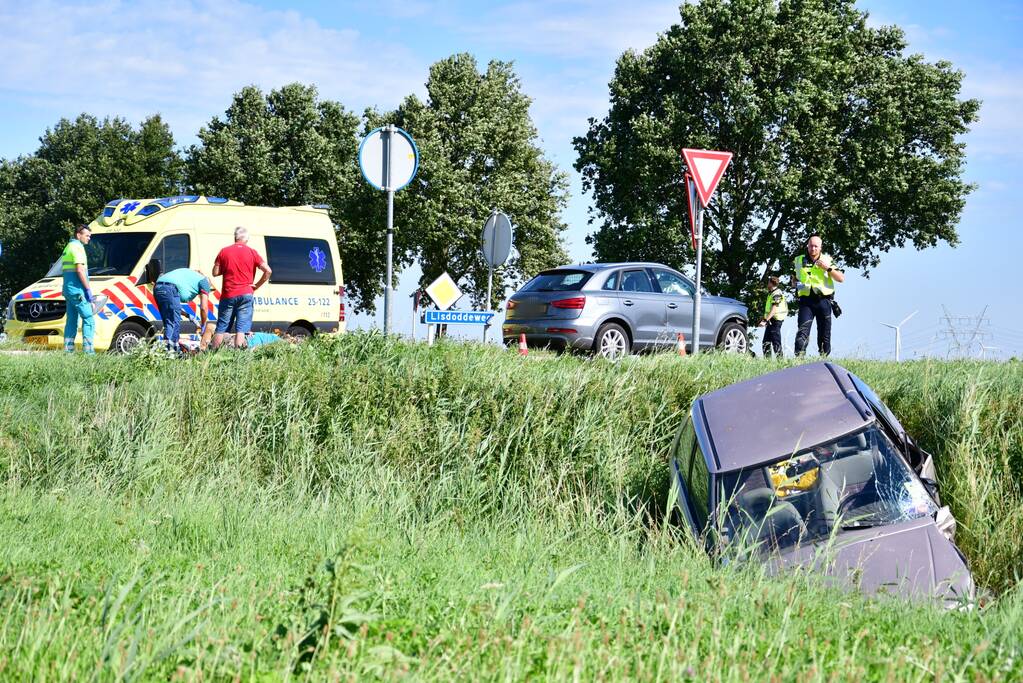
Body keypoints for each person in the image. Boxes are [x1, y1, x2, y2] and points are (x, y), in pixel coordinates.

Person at [212, 226, 271, 349]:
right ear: (247, 239)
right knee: (241, 330)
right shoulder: (252, 252)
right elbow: (268, 271)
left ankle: (212, 355)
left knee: (221, 328)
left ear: (235, 237)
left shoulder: (224, 251)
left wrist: (227, 267)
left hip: (228, 294)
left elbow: (215, 272)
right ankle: (239, 357)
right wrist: (256, 286)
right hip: (246, 293)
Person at [793, 234, 845, 356]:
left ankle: (823, 360)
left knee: (824, 335)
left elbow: (841, 279)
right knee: (802, 332)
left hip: (823, 301)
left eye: (816, 246)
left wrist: (827, 268)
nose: (813, 249)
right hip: (806, 301)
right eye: (811, 246)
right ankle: (799, 360)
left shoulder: (827, 260)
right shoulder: (799, 260)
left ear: (820, 247)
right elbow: (794, 279)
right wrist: (796, 284)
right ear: (807, 246)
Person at [153, 268, 212, 352]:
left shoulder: (188, 278)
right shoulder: (204, 282)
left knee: (168, 322)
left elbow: (174, 308)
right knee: (173, 323)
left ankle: (167, 350)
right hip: (169, 288)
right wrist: (203, 326)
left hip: (157, 287)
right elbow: (204, 307)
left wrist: (188, 315)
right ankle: (173, 351)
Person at [61, 224, 95, 354]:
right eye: (87, 236)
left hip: (69, 290)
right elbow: (80, 270)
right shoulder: (77, 247)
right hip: (77, 290)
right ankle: (89, 352)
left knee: (71, 320)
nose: (88, 238)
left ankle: (68, 351)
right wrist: (87, 290)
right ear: (78, 235)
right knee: (88, 318)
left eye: (89, 236)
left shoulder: (68, 247)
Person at [758, 275, 788, 358]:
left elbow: (774, 309)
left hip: (775, 321)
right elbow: (769, 309)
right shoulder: (771, 293)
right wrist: (764, 318)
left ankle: (780, 362)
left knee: (776, 342)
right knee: (766, 342)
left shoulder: (777, 293)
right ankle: (767, 361)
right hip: (771, 320)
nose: (767, 284)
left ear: (771, 283)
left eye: (768, 283)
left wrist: (765, 320)